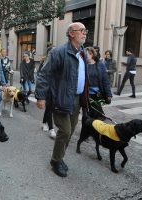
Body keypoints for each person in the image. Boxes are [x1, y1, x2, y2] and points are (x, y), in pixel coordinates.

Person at [35, 22, 89, 177]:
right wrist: (40, 96)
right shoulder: (58, 52)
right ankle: (56, 160)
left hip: (77, 100)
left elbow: (84, 78)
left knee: (70, 132)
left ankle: (59, 157)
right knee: (65, 131)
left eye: (86, 31)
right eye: (82, 30)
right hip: (60, 98)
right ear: (72, 33)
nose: (85, 33)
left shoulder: (83, 53)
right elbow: (44, 75)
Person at [86, 47, 112, 120]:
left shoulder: (100, 65)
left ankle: (96, 128)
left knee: (97, 113)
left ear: (91, 55)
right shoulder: (84, 65)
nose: (84, 55)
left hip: (97, 94)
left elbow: (105, 80)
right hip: (86, 94)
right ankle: (88, 129)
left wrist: (108, 94)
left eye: (86, 54)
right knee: (88, 113)